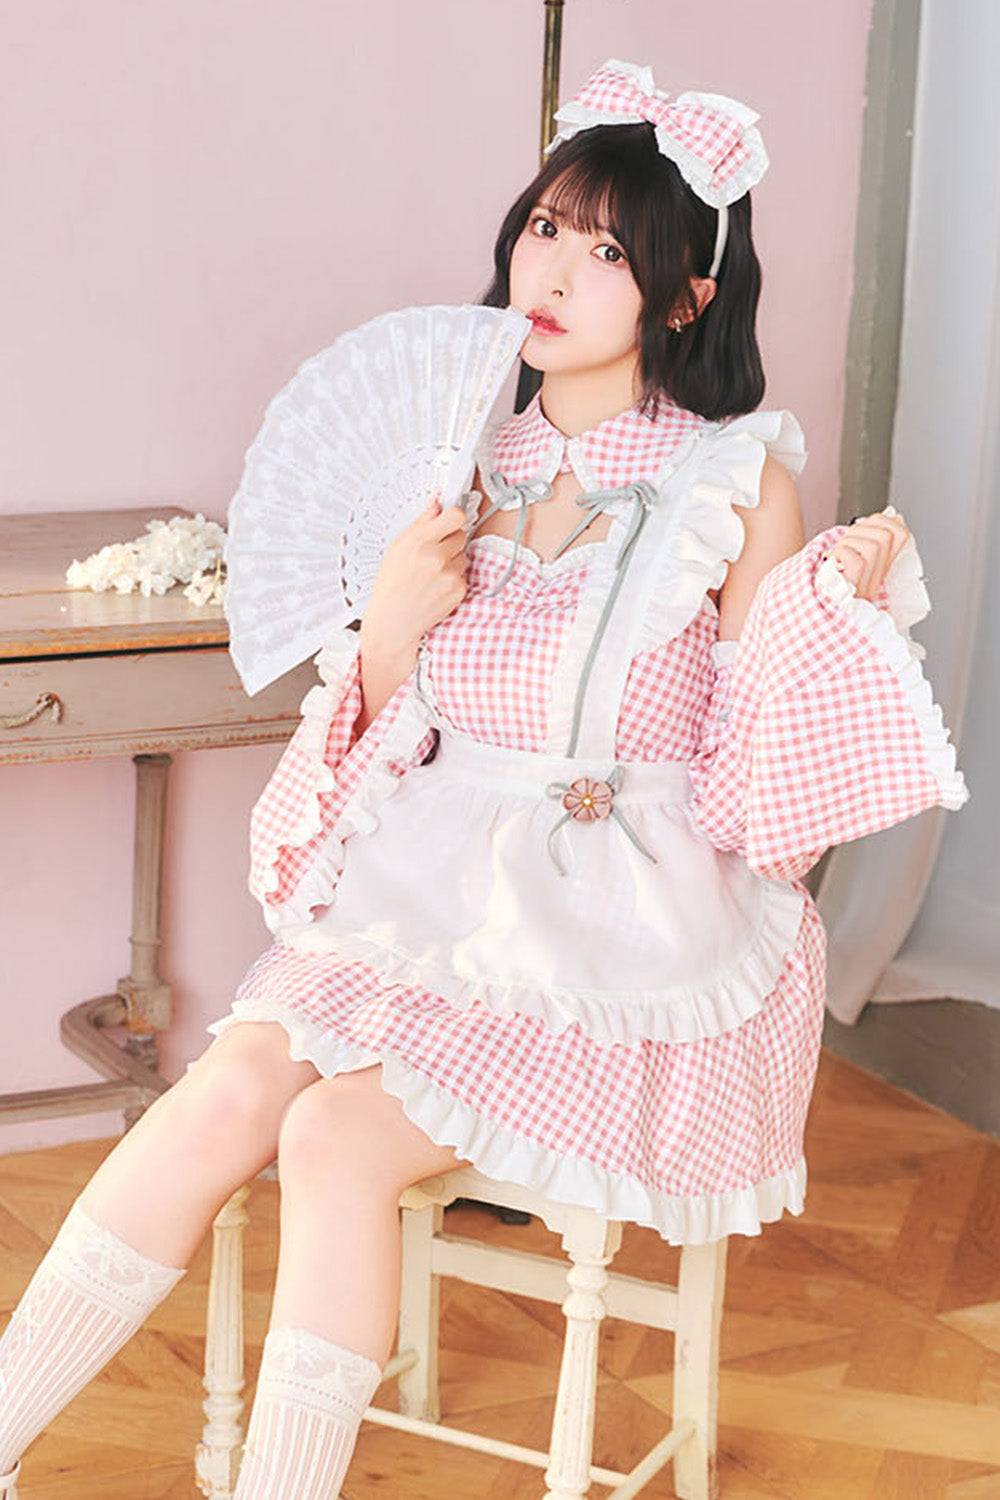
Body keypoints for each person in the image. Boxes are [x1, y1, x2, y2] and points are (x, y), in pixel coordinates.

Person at [0, 58, 968, 1500]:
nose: (555, 271)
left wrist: (836, 610)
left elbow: (757, 788)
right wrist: (391, 627)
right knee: (221, 1093)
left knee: (332, 1135)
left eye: (607, 251)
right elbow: (396, 730)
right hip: (425, 891)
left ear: (685, 298)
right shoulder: (453, 465)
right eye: (545, 228)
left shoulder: (734, 482)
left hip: (617, 931)